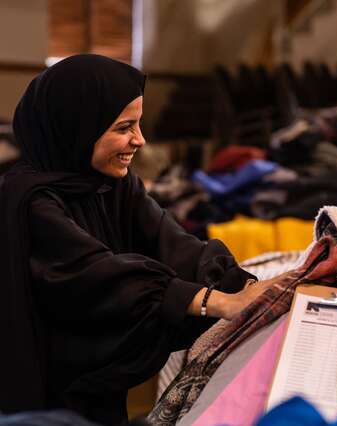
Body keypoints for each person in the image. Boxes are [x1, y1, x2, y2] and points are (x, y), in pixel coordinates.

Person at [0, 54, 277, 425]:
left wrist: (246, 286)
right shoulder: (28, 200)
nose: (140, 140)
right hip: (43, 393)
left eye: (139, 124)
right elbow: (97, 276)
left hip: (97, 391)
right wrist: (216, 302)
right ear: (78, 127)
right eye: (124, 127)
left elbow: (173, 242)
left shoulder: (114, 184)